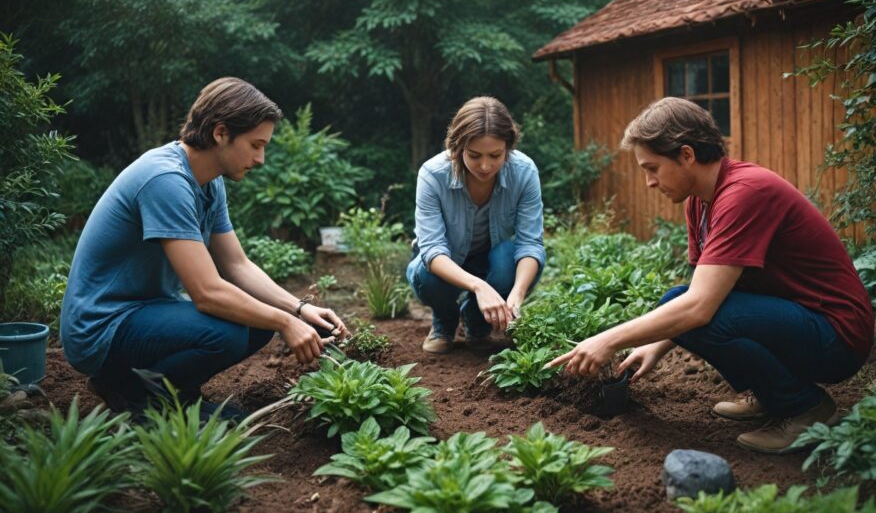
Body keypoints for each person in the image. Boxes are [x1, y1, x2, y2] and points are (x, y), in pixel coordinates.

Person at [547, 97, 874, 454]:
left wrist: (608, 339)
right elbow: (704, 294)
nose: (649, 182)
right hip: (799, 320)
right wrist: (655, 345)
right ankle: (772, 393)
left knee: (682, 305)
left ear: (686, 155)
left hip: (837, 334)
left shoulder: (744, 193)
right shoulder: (700, 201)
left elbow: (699, 308)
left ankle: (805, 407)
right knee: (678, 302)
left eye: (652, 168)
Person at [61, 77, 348, 417]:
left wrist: (298, 310)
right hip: (101, 328)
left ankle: (168, 391)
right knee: (225, 331)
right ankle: (139, 395)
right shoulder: (165, 180)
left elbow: (237, 266)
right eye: (256, 145)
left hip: (142, 313)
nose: (261, 159)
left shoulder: (209, 184)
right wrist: (285, 323)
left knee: (257, 324)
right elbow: (208, 293)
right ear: (221, 132)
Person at [407, 96, 545, 354]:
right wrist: (479, 286)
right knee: (430, 277)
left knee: (508, 260)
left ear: (509, 147)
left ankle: (477, 321)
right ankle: (444, 320)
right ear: (458, 147)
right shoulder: (433, 174)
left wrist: (516, 294)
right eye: (474, 155)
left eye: (495, 155)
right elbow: (433, 250)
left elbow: (530, 244)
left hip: (491, 257)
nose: (485, 165)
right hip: (444, 262)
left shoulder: (524, 172)